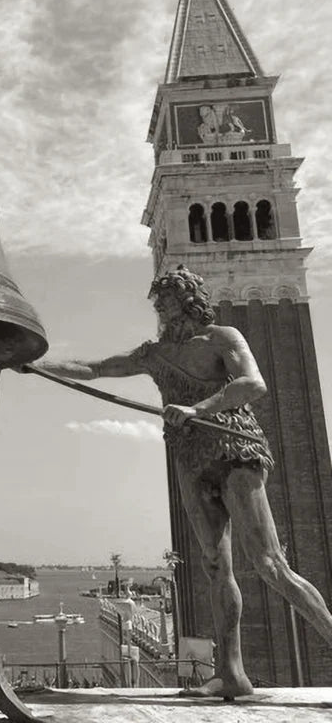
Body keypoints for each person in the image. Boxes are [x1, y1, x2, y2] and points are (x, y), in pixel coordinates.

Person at [20, 265, 332, 699]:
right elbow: (97, 367)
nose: (161, 311)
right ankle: (232, 673)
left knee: (269, 564)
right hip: (190, 458)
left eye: (166, 302)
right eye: (158, 304)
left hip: (234, 449)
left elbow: (253, 383)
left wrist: (197, 408)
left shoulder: (222, 338)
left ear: (189, 301)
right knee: (215, 565)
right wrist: (37, 364)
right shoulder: (155, 353)